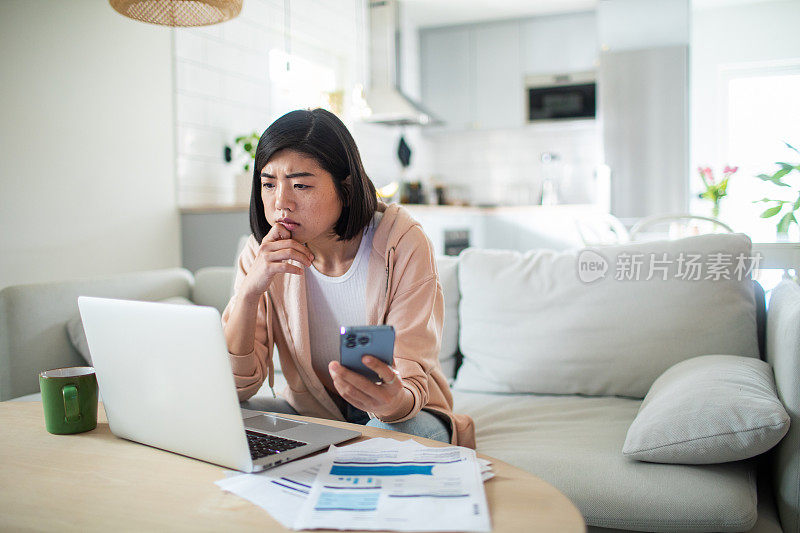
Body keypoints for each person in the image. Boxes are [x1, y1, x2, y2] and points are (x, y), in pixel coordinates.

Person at [221, 108, 475, 447]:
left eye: (301, 185)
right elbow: (237, 386)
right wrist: (250, 291)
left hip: (402, 417)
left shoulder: (402, 243)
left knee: (381, 440)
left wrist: (393, 401)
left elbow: (412, 380)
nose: (281, 202)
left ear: (346, 185)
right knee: (225, 420)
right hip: (315, 414)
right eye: (268, 184)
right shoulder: (260, 254)